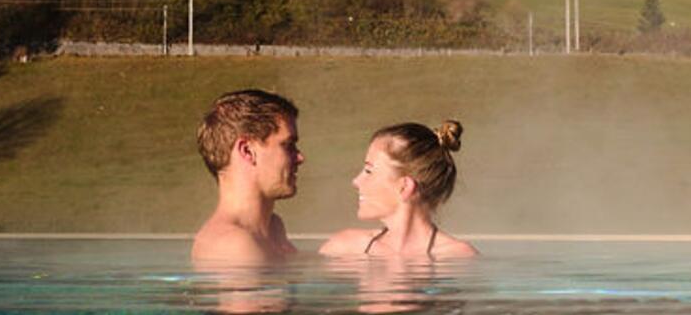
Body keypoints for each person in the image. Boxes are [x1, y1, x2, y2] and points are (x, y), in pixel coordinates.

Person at [319, 121, 478, 259]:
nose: (356, 181)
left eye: (368, 171)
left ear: (405, 187)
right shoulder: (343, 249)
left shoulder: (456, 258)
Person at [192, 89, 305, 263]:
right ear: (247, 151)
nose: (300, 157)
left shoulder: (272, 229)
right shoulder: (232, 246)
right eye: (288, 145)